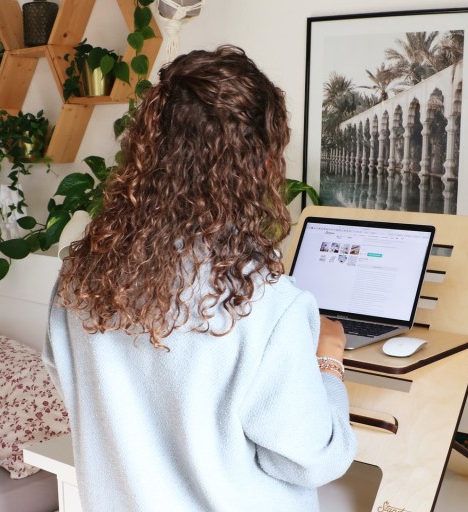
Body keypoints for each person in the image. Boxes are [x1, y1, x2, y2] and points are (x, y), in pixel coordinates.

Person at [45, 45, 358, 511]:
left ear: (148, 147)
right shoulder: (264, 302)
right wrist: (328, 363)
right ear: (260, 163)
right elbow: (310, 460)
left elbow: (76, 388)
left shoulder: (83, 276)